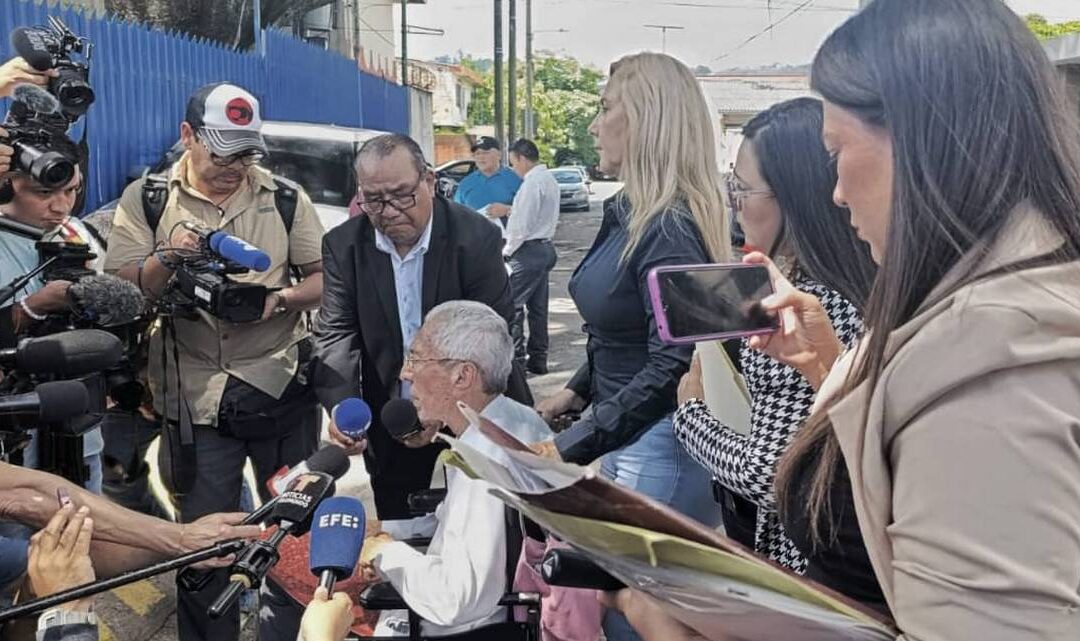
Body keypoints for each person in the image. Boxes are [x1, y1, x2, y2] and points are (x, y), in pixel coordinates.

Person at [607, 0, 1080, 638]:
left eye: (838, 150)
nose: (835, 190)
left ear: (923, 143)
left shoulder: (988, 366)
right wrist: (828, 366)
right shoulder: (983, 312)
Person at [104, 82, 326, 641]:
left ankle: (290, 632)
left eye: (247, 152)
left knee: (293, 535)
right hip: (194, 398)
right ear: (188, 136)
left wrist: (277, 300)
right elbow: (123, 292)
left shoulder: (284, 198)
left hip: (279, 388)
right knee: (205, 546)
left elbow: (327, 279)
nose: (236, 166)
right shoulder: (147, 200)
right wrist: (170, 255)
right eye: (223, 150)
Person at [530, 52, 728, 641]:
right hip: (626, 435)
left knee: (636, 618)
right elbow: (615, 330)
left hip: (657, 443)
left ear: (645, 119)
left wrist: (576, 442)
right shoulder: (630, 211)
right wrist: (574, 391)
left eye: (604, 107)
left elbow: (675, 360)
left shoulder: (667, 225)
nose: (593, 125)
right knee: (612, 608)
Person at [671, 97, 874, 573]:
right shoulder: (868, 280)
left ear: (795, 196)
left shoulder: (796, 307)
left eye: (741, 189)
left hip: (809, 558)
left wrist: (690, 413)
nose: (732, 204)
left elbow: (767, 474)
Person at [313, 133, 533, 522]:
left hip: (475, 404)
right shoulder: (343, 246)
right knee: (399, 525)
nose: (390, 210)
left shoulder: (476, 236)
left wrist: (439, 405)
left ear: (429, 181)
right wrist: (345, 410)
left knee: (489, 526)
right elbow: (335, 335)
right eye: (374, 199)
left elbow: (492, 334)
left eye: (402, 195)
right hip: (391, 412)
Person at [355, 301, 551, 636]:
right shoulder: (512, 419)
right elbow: (455, 526)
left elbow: (457, 599)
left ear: (463, 375)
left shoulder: (486, 461)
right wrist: (382, 529)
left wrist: (385, 553)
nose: (405, 373)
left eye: (416, 358)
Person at [486, 138, 560, 374]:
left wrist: (506, 252)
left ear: (521, 158)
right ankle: (538, 359)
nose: (513, 169)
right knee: (538, 309)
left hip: (527, 250)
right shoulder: (548, 179)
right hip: (545, 247)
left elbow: (521, 225)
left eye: (513, 163)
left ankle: (516, 363)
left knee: (512, 306)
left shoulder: (531, 184)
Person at [452, 136, 522, 224]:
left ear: (499, 155)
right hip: (475, 236)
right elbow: (456, 214)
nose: (481, 157)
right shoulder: (465, 184)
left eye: (485, 153)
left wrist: (508, 210)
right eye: (477, 154)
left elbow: (530, 210)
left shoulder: (515, 178)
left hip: (509, 236)